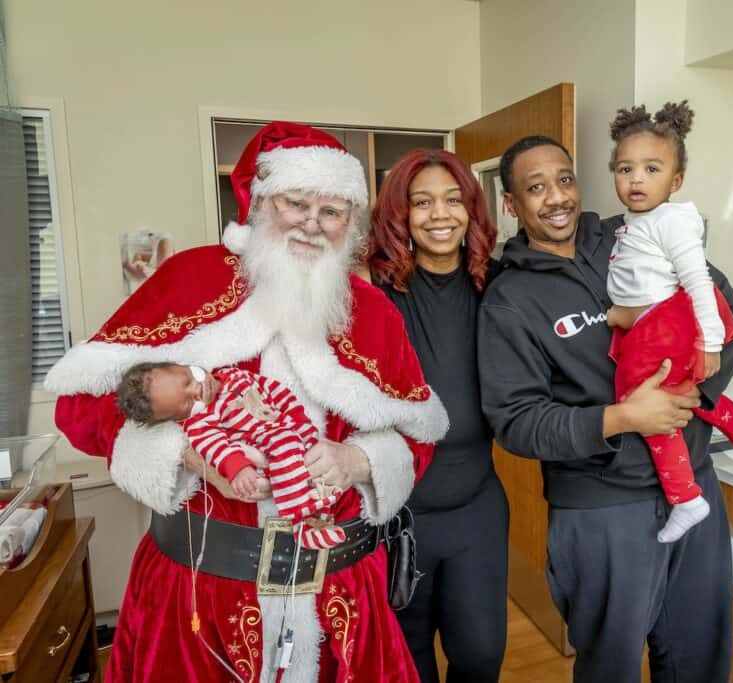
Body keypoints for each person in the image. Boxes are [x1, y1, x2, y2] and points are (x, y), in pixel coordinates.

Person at [45, 121, 449, 682]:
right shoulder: (189, 279)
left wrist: (358, 460)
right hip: (196, 595)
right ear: (260, 202)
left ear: (352, 222)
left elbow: (418, 435)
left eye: (332, 211)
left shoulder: (373, 312)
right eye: (295, 203)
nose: (312, 222)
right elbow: (82, 409)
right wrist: (189, 453)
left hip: (341, 601)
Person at [477, 135, 733, 682]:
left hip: (692, 484)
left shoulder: (638, 233)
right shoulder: (509, 299)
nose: (557, 197)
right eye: (536, 187)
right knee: (610, 668)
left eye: (565, 180)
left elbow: (722, 311)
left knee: (700, 658)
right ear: (511, 204)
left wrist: (692, 394)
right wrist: (621, 419)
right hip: (602, 509)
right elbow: (516, 421)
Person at [605, 101, 733, 543]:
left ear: (676, 180)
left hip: (663, 326)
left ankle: (685, 497)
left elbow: (699, 282)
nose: (636, 179)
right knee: (688, 397)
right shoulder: (636, 222)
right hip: (654, 325)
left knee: (640, 399)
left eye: (651, 169)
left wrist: (710, 343)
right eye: (626, 169)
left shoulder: (671, 222)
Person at [366, 149, 508, 683]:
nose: (440, 215)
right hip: (397, 515)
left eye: (453, 200)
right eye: (422, 202)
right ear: (400, 214)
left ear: (471, 208)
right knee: (407, 657)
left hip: (477, 506)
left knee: (481, 656)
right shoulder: (373, 293)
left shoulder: (498, 285)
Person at [116, 362, 348, 549]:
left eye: (188, 379)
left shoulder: (234, 375)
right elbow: (216, 447)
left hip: (291, 429)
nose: (196, 390)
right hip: (264, 448)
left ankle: (322, 519)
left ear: (185, 365)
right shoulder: (199, 423)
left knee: (319, 476)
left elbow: (274, 390)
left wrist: (298, 420)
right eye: (187, 402)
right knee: (290, 470)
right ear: (179, 418)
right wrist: (239, 469)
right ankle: (301, 524)